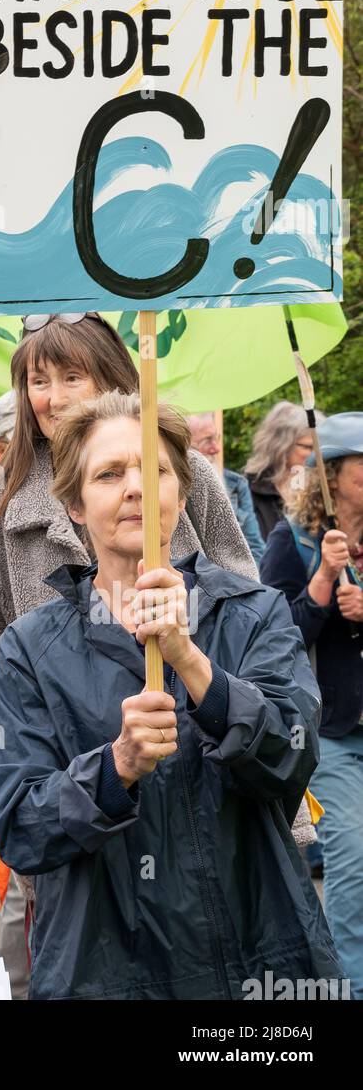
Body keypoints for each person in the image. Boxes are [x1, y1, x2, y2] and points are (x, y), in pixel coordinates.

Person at [0, 391, 341, 999]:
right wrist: (115, 768)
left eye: (156, 470)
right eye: (109, 473)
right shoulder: (30, 649)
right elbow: (18, 826)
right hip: (106, 972)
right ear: (73, 502)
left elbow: (292, 757)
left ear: (184, 490)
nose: (136, 489)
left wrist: (193, 664)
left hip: (257, 966)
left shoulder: (251, 613)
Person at [0, 312, 256, 999]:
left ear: (114, 372)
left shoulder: (185, 475)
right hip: (71, 827)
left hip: (204, 815)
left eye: (70, 375)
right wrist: (37, 749)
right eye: (35, 380)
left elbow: (248, 622)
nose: (50, 396)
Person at [260, 411, 363, 998]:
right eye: (361, 468)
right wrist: (323, 582)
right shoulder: (293, 539)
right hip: (334, 734)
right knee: (351, 867)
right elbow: (276, 641)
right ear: (333, 475)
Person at [187, 412, 266, 564]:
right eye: (207, 441)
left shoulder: (236, 485)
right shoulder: (169, 493)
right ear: (185, 448)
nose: (216, 449)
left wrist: (248, 586)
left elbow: (255, 549)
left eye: (216, 438)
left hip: (238, 582)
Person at [245, 400, 315, 543]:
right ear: (281, 445)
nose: (315, 455)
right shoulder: (248, 489)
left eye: (318, 449)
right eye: (308, 447)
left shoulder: (320, 488)